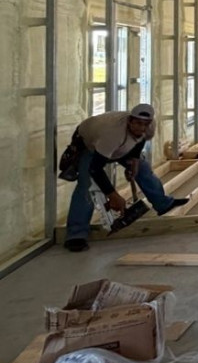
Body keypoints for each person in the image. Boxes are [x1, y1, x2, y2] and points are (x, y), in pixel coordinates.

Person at [63, 104, 188, 252]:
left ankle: (163, 203)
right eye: (138, 123)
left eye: (145, 124)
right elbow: (95, 169)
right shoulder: (111, 134)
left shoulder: (149, 126)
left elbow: (140, 141)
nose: (141, 128)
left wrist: (134, 162)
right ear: (129, 121)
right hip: (90, 147)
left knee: (143, 169)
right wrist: (113, 195)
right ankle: (76, 234)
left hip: (121, 147)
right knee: (87, 185)